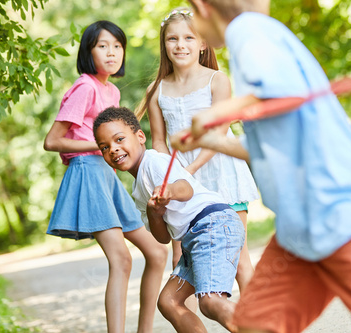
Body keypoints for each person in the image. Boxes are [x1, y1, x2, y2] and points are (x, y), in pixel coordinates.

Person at [169, 1, 351, 333]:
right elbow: (268, 140)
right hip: (300, 231)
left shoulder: (248, 31)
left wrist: (216, 113)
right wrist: (211, 141)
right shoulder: (257, 39)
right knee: (258, 325)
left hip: (340, 214)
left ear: (201, 7)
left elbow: (279, 96)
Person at [43, 21, 168, 333]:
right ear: (89, 52)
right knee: (122, 260)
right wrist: (100, 145)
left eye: (117, 45)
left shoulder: (110, 89)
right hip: (87, 173)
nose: (112, 52)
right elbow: (53, 140)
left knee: (156, 251)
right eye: (103, 45)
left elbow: (116, 140)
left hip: (106, 176)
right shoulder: (85, 87)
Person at [136, 7, 259, 290]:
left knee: (238, 258)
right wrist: (171, 179)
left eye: (189, 38)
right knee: (181, 257)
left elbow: (218, 133)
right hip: (180, 181)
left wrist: (189, 170)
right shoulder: (156, 90)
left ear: (203, 42)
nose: (180, 45)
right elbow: (157, 141)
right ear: (164, 44)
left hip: (219, 173)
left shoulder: (218, 80)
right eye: (172, 39)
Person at [93, 106, 245, 332]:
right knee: (168, 301)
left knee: (210, 300)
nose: (113, 149)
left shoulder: (154, 162)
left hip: (212, 224)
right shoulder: (137, 190)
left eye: (119, 139)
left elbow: (186, 189)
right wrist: (155, 212)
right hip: (195, 239)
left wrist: (169, 190)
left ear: (140, 136)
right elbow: (162, 237)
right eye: (104, 147)